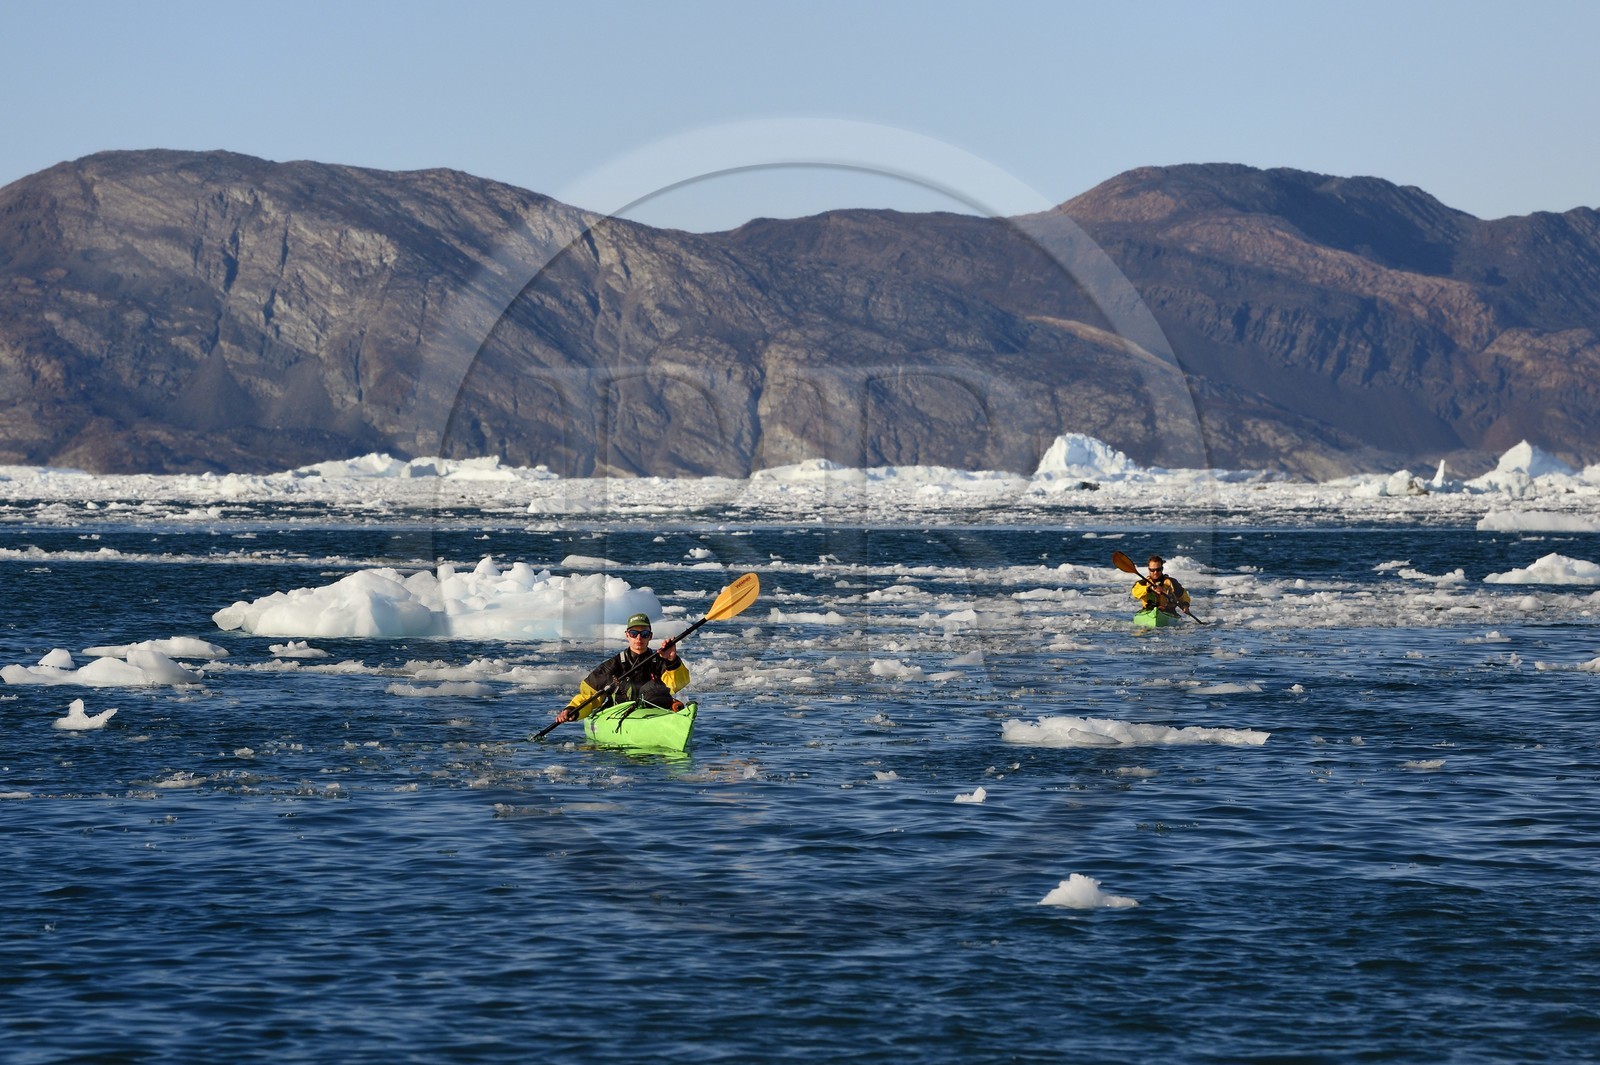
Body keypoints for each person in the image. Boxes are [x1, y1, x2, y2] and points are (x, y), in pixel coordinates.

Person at [553, 612, 690, 724]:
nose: (639, 638)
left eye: (644, 634)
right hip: (619, 717)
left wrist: (672, 659)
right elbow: (589, 696)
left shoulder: (661, 661)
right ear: (627, 635)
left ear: (650, 636)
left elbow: (676, 685)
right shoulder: (612, 666)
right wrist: (572, 710)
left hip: (654, 716)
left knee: (652, 689)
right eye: (633, 633)